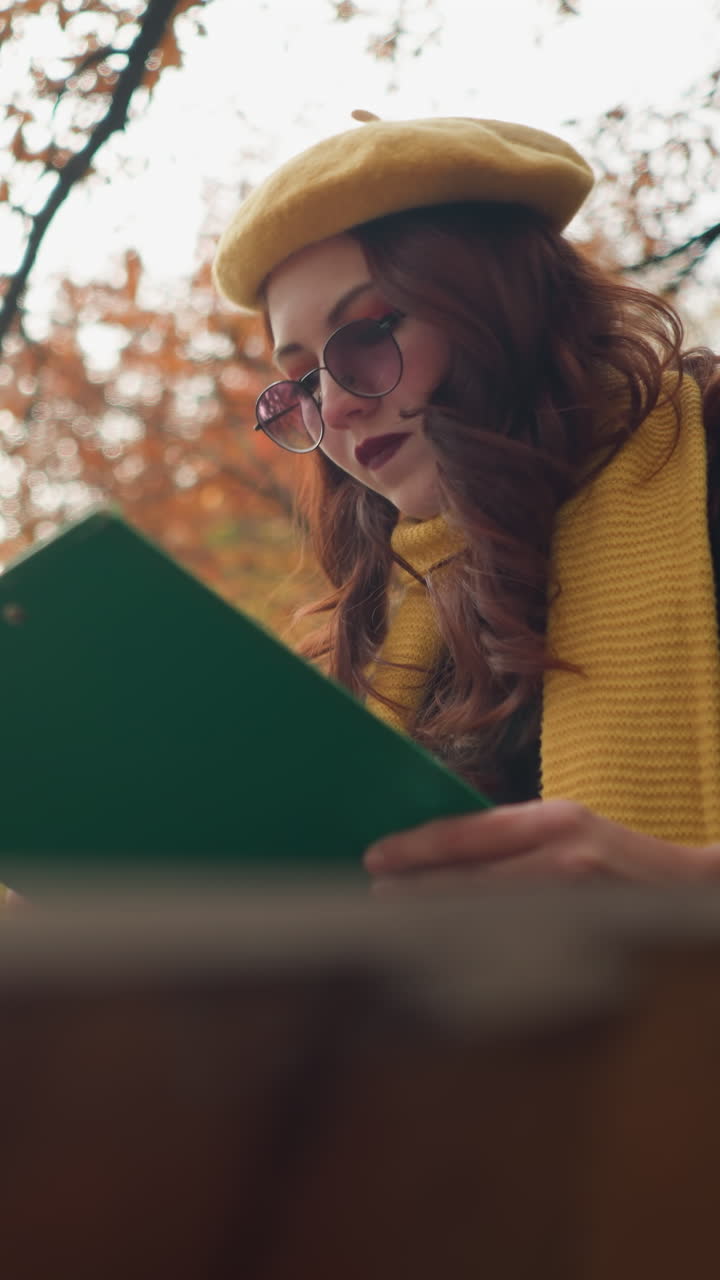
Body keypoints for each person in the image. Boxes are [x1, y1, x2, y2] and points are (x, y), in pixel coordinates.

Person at [212, 111, 720, 887]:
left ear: (502, 300)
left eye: (368, 333)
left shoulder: (705, 453)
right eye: (305, 377)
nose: (337, 406)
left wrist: (685, 895)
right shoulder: (371, 637)